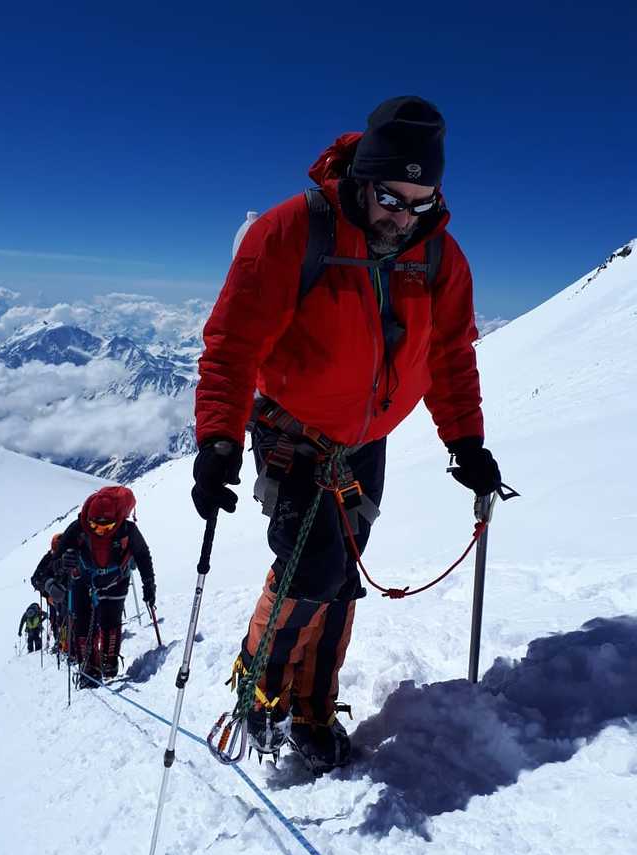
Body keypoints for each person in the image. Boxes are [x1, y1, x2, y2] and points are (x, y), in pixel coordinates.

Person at [192, 96, 503, 773]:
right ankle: (259, 684)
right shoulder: (293, 233)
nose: (404, 216)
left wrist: (467, 443)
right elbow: (232, 344)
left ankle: (312, 705)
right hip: (292, 432)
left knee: (342, 580)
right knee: (316, 567)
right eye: (393, 197)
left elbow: (450, 355)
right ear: (363, 178)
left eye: (423, 202)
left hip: (368, 441)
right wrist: (216, 439)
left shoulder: (440, 257)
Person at [55, 486, 155, 687]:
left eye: (107, 528)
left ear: (117, 520)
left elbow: (143, 556)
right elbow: (56, 560)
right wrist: (64, 561)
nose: (100, 531)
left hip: (112, 580)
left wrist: (149, 585)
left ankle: (107, 665)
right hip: (89, 580)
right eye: (95, 526)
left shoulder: (127, 531)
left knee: (110, 621)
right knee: (83, 624)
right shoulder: (78, 529)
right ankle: (90, 669)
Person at [31, 533, 67, 649]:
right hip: (54, 596)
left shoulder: (69, 555)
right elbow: (35, 578)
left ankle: (68, 645)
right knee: (57, 620)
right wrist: (47, 593)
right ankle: (61, 644)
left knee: (66, 619)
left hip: (68, 594)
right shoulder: (48, 559)